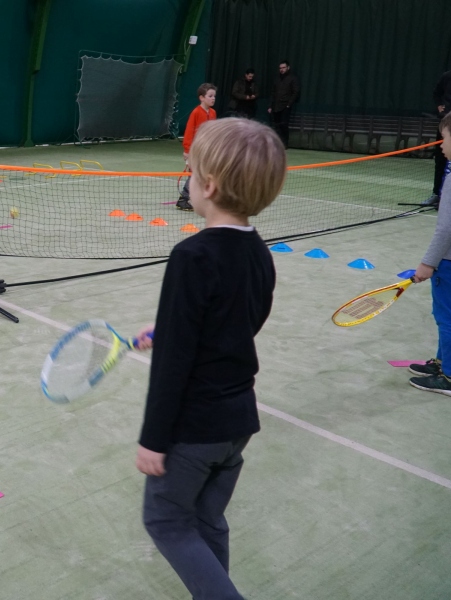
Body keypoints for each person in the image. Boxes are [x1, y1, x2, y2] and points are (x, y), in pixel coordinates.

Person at [134, 118, 287, 600]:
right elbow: (239, 321)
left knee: (166, 520)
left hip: (194, 428)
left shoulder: (191, 256)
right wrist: (171, 329)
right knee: (206, 519)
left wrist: (153, 440)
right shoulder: (260, 252)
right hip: (237, 420)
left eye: (190, 171)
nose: (187, 179)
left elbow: (172, 368)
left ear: (210, 185)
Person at [407, 106, 451, 397]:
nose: (441, 145)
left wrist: (428, 263)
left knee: (448, 317)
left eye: (444, 138)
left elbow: (447, 228)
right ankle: (444, 362)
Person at [422, 46, 451, 208]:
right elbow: (436, 93)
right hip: (446, 125)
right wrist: (439, 106)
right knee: (441, 160)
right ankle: (437, 194)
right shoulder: (447, 77)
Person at [177, 83, 217, 211]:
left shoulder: (213, 113)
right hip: (196, 151)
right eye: (210, 96)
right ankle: (183, 199)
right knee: (194, 175)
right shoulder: (196, 112)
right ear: (201, 98)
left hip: (207, 151)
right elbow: (189, 132)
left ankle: (204, 198)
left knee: (207, 174)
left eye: (214, 96)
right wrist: (187, 150)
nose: (213, 98)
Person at [268, 60, 300, 147]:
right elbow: (273, 93)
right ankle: (277, 143)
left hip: (285, 106)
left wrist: (289, 104)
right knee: (276, 125)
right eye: (280, 68)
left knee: (284, 124)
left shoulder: (293, 78)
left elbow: (295, 92)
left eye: (283, 67)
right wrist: (270, 105)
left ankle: (285, 143)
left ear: (288, 68)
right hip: (276, 106)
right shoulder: (277, 79)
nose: (282, 69)